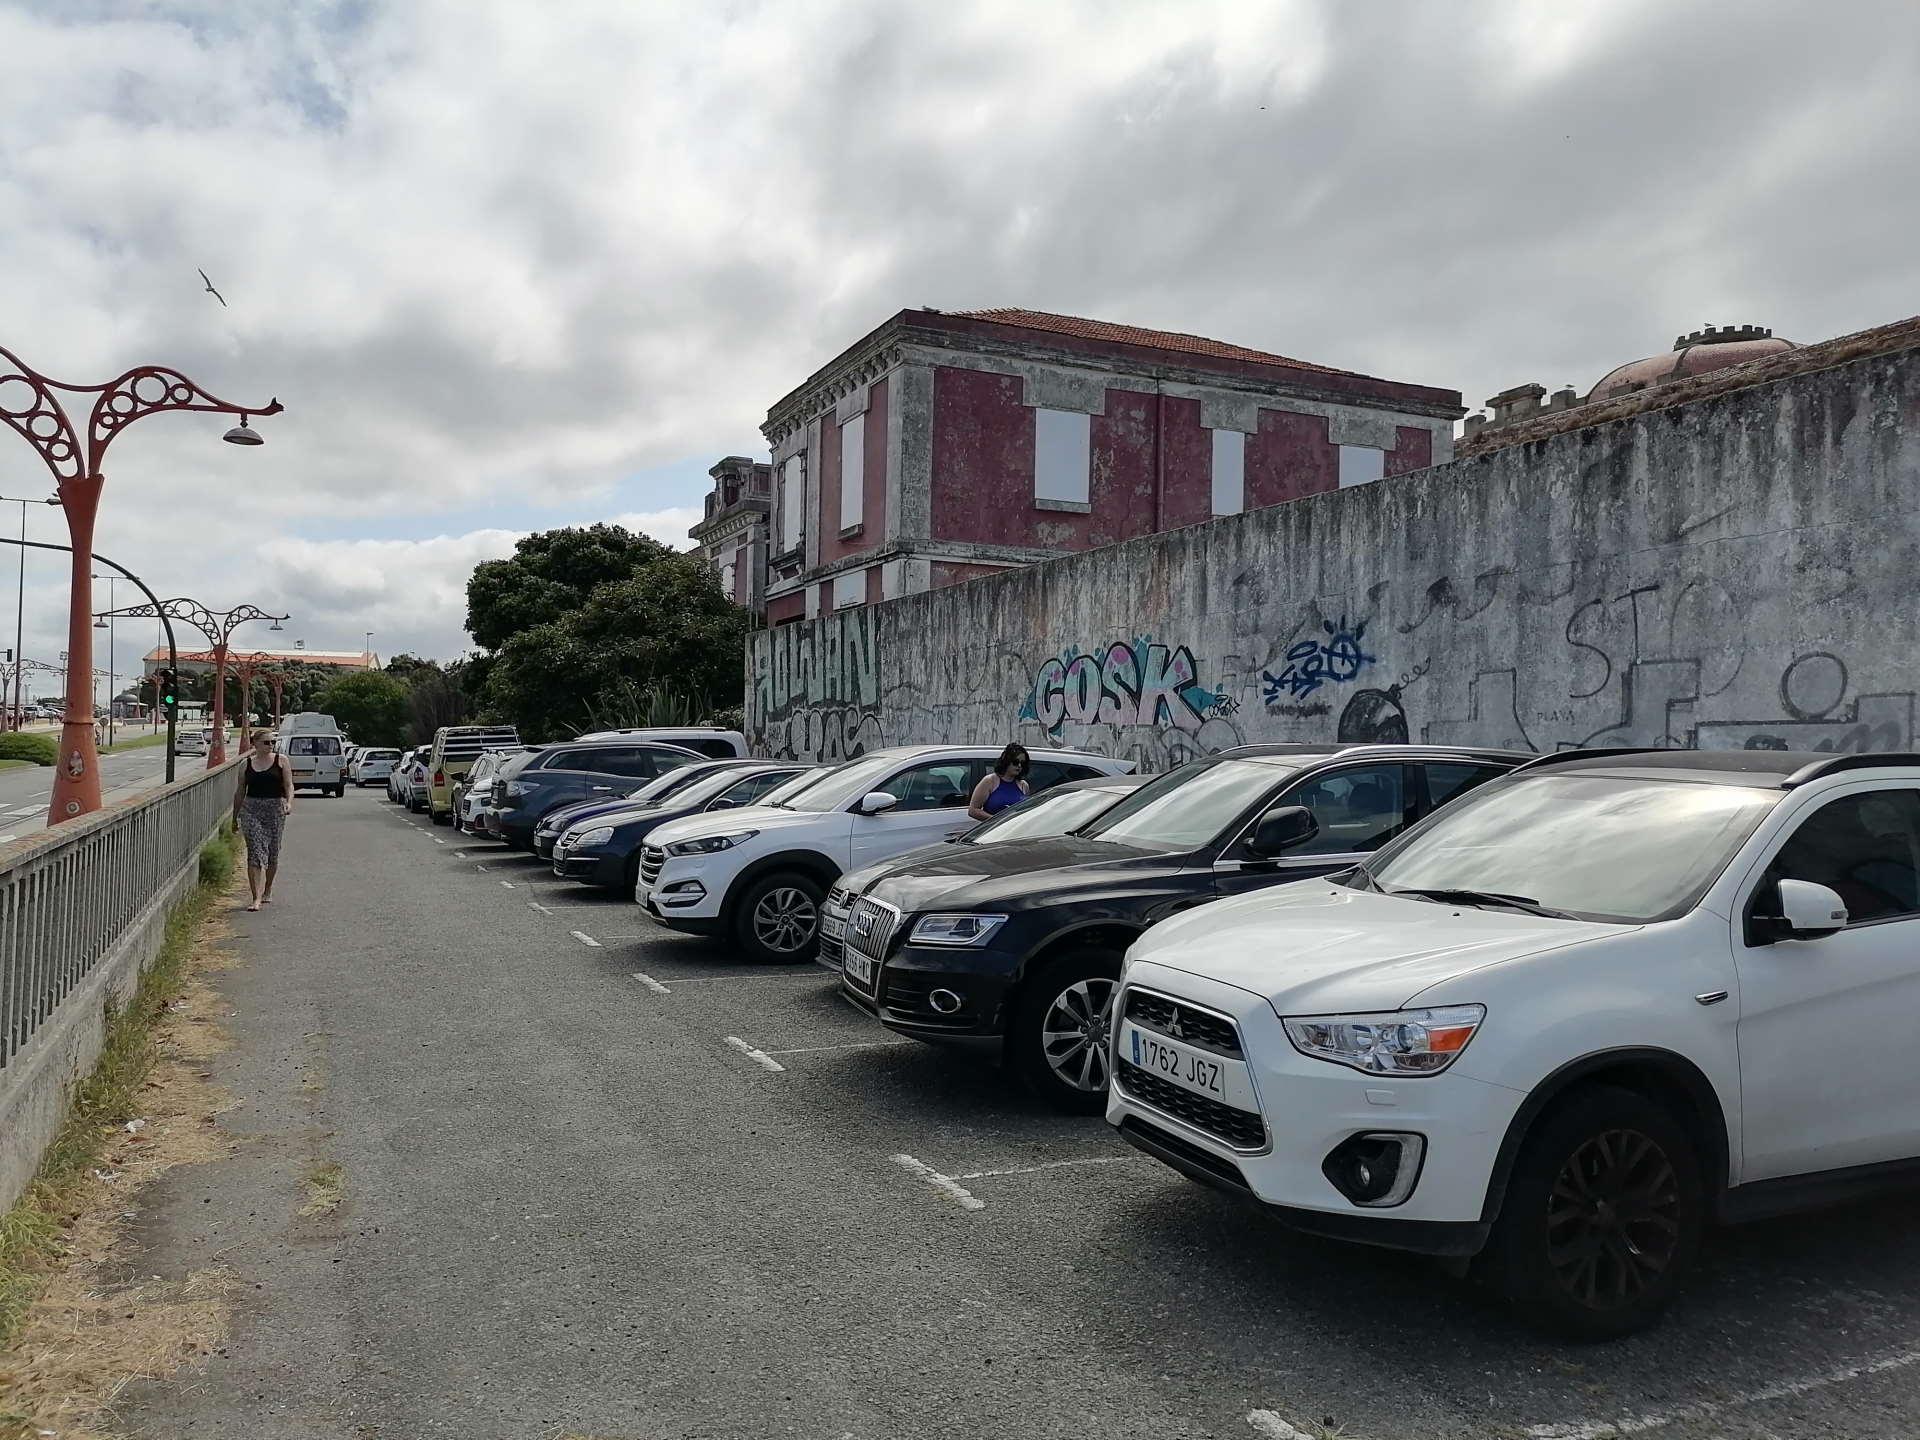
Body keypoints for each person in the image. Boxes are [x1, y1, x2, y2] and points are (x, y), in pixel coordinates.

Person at [232, 730, 293, 911]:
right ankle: (256, 898)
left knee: (272, 853)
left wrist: (289, 803)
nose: (270, 745)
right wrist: (235, 817)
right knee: (255, 852)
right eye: (266, 742)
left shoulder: (281, 761)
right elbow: (240, 791)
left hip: (275, 809)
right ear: (255, 744)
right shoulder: (246, 764)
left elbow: (289, 785)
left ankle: (267, 889)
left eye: (273, 742)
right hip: (251, 809)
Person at [968, 742, 1031, 821]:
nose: (1019, 766)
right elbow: (973, 810)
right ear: (1007, 761)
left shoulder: (1023, 785)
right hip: (996, 830)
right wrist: (997, 821)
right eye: (1015, 762)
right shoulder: (990, 781)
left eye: (1022, 763)